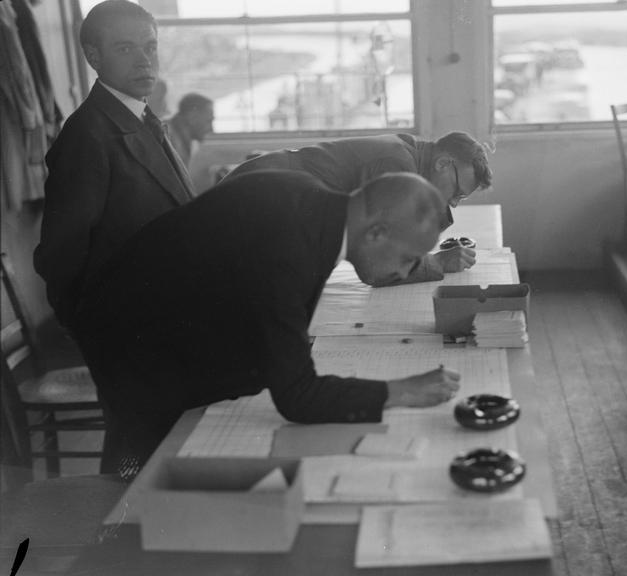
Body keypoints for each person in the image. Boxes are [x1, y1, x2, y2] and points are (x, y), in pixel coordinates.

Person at [73, 169, 461, 478]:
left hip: (164, 310)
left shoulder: (310, 200)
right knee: (148, 471)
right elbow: (297, 397)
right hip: (130, 337)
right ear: (376, 232)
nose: (407, 271)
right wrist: (401, 390)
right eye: (410, 257)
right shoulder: (290, 248)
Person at [34, 0, 194, 330]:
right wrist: (98, 339)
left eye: (151, 47)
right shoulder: (87, 137)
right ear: (94, 58)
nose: (144, 60)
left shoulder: (142, 117)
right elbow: (60, 257)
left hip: (170, 309)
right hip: (130, 325)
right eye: (125, 49)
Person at [224, 131, 493, 284]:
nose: (455, 202)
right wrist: (437, 263)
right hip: (256, 200)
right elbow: (375, 266)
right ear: (443, 163)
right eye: (457, 192)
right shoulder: (396, 164)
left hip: (267, 194)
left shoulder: (408, 152)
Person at [166, 92, 215, 169]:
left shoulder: (180, 136)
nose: (211, 129)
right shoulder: (167, 138)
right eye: (208, 121)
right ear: (193, 117)